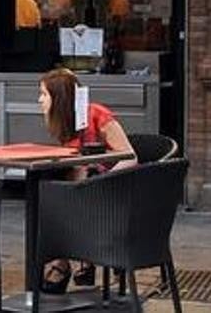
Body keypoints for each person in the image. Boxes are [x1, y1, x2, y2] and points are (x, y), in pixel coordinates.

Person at [36, 68, 137, 292]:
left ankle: (63, 262)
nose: (39, 100)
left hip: (110, 189)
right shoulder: (64, 122)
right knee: (49, 195)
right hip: (80, 190)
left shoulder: (96, 114)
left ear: (59, 97)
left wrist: (100, 177)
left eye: (44, 94)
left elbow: (130, 156)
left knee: (59, 200)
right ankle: (72, 259)